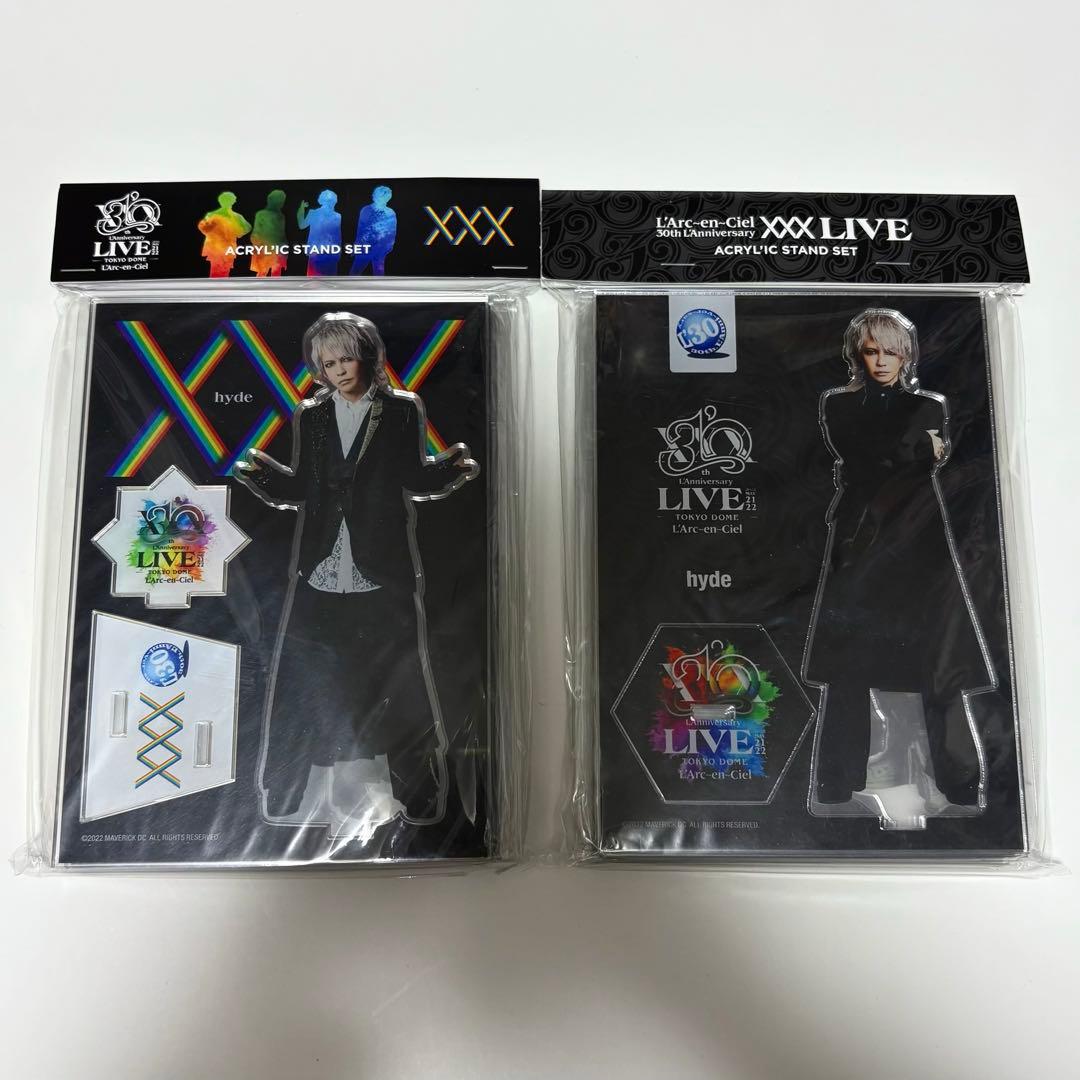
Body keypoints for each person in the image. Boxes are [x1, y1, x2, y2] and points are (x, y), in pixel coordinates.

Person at [234, 312, 478, 823]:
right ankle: (285, 791)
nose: (339, 370)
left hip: (380, 572)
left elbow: (413, 477)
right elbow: (302, 488)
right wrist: (262, 477)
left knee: (401, 684)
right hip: (321, 571)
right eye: (328, 363)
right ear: (318, 369)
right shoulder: (314, 416)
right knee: (303, 683)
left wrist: (451, 469)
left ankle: (419, 793)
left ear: (366, 357)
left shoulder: (400, 411)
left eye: (346, 359)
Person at [803, 308, 992, 811]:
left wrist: (915, 452)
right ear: (857, 354)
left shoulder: (928, 405)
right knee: (847, 668)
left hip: (919, 543)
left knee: (941, 662)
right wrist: (920, 451)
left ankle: (960, 784)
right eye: (872, 351)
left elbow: (898, 455)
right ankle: (835, 783)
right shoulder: (839, 404)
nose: (881, 360)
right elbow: (881, 455)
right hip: (860, 540)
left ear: (906, 356)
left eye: (891, 351)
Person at [196, 192, 251, 278]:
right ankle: (220, 285)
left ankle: (218, 285)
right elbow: (247, 228)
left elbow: (203, 228)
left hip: (218, 246)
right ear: (232, 201)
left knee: (218, 269)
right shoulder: (236, 217)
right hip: (222, 246)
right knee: (222, 270)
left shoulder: (212, 215)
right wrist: (237, 232)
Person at [350, 185, 397, 275]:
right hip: (365, 246)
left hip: (380, 247)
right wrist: (357, 245)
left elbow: (392, 232)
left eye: (378, 196)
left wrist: (387, 247)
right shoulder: (366, 210)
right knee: (355, 270)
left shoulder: (390, 213)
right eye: (375, 195)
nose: (374, 196)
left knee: (378, 272)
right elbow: (360, 229)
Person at [296, 189, 341, 276]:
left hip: (324, 252)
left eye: (333, 202)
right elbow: (337, 236)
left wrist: (301, 209)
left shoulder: (336, 216)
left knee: (319, 280)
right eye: (332, 201)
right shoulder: (336, 216)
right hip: (323, 252)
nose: (333, 204)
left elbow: (337, 235)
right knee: (321, 279)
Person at [249, 189, 288, 277]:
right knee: (263, 272)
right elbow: (256, 233)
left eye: (282, 201)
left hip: (277, 250)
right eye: (280, 200)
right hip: (264, 249)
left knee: (276, 272)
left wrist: (284, 254)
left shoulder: (281, 216)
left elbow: (282, 235)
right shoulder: (261, 214)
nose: (281, 203)